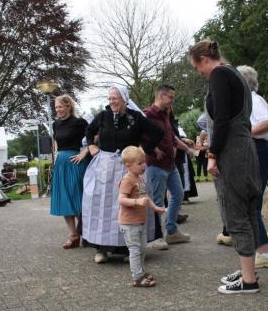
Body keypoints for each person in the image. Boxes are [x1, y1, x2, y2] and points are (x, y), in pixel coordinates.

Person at [190, 40, 261, 294]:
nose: (198, 72)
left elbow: (220, 118)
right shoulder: (236, 74)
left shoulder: (219, 74)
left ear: (203, 60)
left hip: (231, 150)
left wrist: (212, 154)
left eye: (196, 67)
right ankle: (247, 271)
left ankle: (249, 281)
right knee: (249, 209)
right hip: (245, 147)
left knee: (235, 212)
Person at [82, 85, 163, 264]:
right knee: (102, 207)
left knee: (128, 207)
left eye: (115, 98)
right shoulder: (103, 116)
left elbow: (157, 132)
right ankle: (101, 249)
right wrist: (91, 146)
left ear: (124, 99)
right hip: (105, 169)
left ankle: (129, 248)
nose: (112, 102)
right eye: (110, 98)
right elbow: (89, 131)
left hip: (129, 169)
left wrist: (143, 149)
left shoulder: (136, 118)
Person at [236, 65, 268, 268]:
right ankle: (259, 243)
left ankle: (264, 252)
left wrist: (244, 133)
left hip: (257, 150)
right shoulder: (249, 99)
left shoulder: (252, 98)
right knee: (252, 200)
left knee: (252, 202)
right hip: (255, 150)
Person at [144, 85, 192, 246]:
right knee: (157, 202)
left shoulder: (165, 115)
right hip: (155, 165)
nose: (172, 101)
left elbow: (172, 137)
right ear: (161, 96)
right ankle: (156, 237)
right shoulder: (148, 114)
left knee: (178, 194)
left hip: (170, 165)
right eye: (171, 97)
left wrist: (187, 149)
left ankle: (171, 231)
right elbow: (140, 135)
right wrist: (152, 148)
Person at [118, 146, 165, 287]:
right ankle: (137, 277)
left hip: (140, 221)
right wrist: (136, 202)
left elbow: (145, 196)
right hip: (128, 223)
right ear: (128, 165)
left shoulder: (140, 179)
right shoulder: (127, 180)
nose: (144, 165)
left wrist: (155, 208)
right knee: (134, 250)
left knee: (142, 248)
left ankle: (141, 271)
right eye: (140, 163)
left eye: (144, 162)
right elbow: (121, 199)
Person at [50, 95, 89, 250]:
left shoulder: (80, 123)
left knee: (78, 197)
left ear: (68, 106)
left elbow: (92, 139)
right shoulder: (56, 124)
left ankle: (84, 232)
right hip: (61, 163)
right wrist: (56, 158)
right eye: (56, 107)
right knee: (65, 198)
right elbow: (56, 143)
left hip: (76, 162)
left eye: (60, 106)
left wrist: (83, 154)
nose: (58, 110)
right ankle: (73, 235)